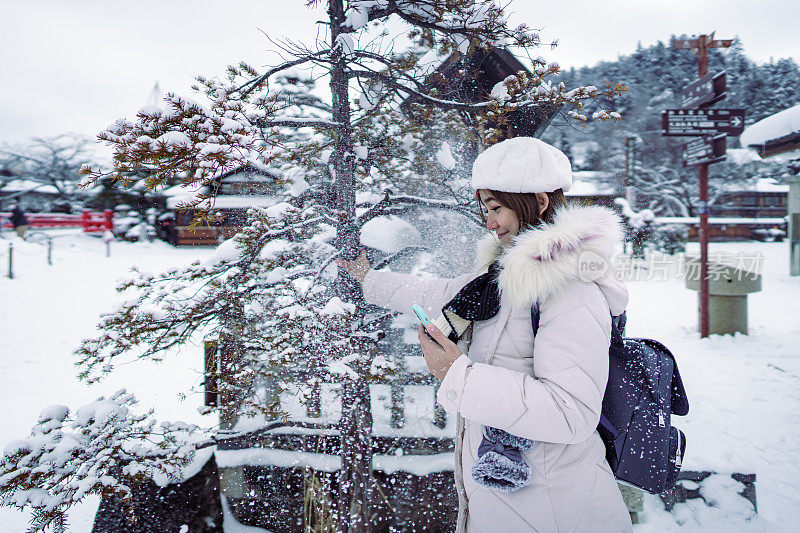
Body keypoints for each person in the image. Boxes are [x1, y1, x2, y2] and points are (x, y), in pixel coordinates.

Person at [339, 137, 632, 532]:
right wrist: (368, 280)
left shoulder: (571, 290)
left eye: (496, 208)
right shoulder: (499, 279)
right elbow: (437, 293)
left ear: (539, 202)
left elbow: (570, 413)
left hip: (556, 510)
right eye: (485, 210)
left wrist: (458, 374)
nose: (489, 223)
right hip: (513, 504)